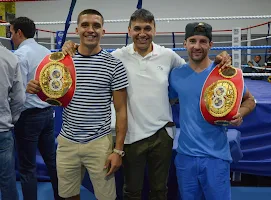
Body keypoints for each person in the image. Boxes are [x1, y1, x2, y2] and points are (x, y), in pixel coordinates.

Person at [62, 8, 231, 200]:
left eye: (147, 28)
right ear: (129, 31)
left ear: (154, 30)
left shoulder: (168, 56)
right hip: (132, 135)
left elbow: (194, 67)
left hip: (161, 134)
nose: (142, 34)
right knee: (132, 190)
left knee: (160, 190)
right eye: (137, 29)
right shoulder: (117, 57)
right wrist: (71, 48)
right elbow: (92, 55)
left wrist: (219, 59)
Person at [27, 9, 128, 200]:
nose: (91, 30)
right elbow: (50, 90)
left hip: (99, 143)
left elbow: (121, 110)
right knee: (68, 196)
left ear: (103, 31)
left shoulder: (114, 65)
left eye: (96, 26)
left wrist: (118, 151)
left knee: (106, 197)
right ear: (77, 30)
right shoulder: (64, 61)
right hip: (67, 143)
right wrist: (36, 87)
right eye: (85, 25)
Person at [169, 22, 256, 200]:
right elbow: (166, 100)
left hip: (216, 156)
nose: (197, 46)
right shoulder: (176, 75)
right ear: (185, 43)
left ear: (211, 45)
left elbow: (250, 100)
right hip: (185, 156)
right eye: (192, 41)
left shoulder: (224, 72)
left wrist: (240, 113)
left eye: (203, 41)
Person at [9, 17, 62, 200]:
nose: (11, 36)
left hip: (28, 116)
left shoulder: (20, 55)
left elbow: (19, 92)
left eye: (11, 32)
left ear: (19, 33)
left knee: (27, 167)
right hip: (48, 114)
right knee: (52, 162)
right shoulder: (47, 52)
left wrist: (12, 116)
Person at [0, 46, 25, 200]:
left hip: (4, 127)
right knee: (7, 179)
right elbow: (19, 98)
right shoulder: (9, 57)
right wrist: (10, 119)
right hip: (3, 128)